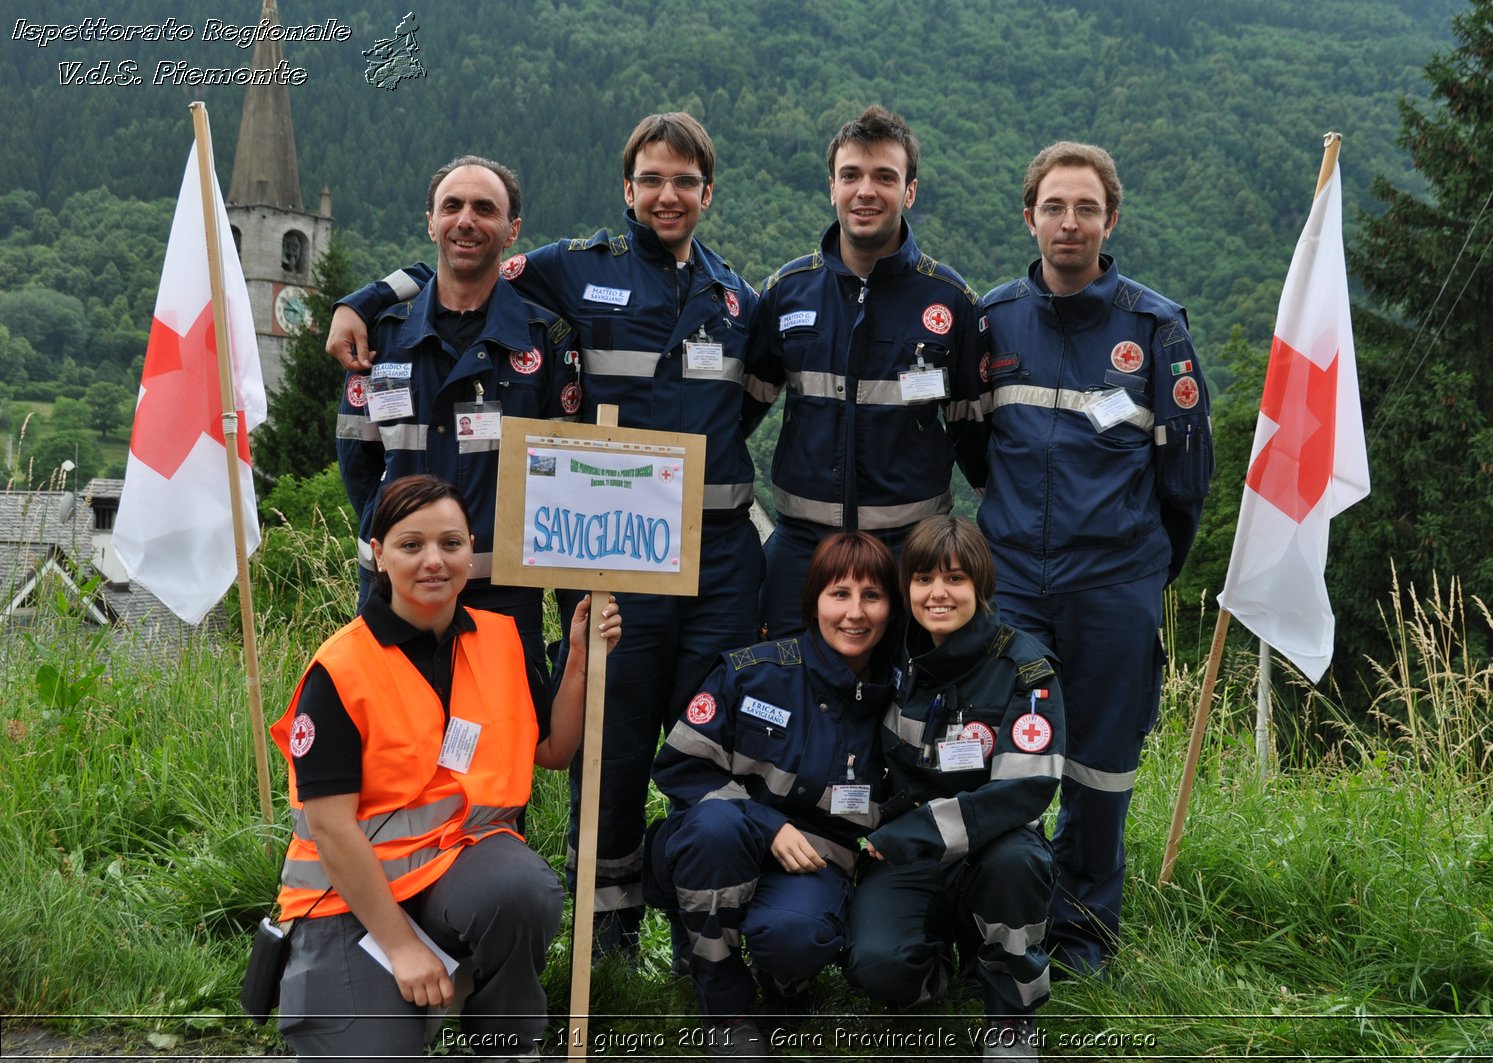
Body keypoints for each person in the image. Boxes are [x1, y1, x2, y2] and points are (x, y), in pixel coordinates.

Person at [325, 114, 765, 955]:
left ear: (707, 192)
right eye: (651, 179)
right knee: (602, 745)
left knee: (676, 741)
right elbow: (464, 262)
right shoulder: (573, 269)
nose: (667, 195)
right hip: (557, 567)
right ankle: (578, 930)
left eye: (684, 182)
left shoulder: (739, 298)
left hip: (696, 558)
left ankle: (673, 932)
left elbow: (751, 403)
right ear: (627, 189)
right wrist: (365, 295)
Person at [269, 474, 620, 1061]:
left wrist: (580, 656)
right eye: (411, 545)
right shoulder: (340, 669)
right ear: (378, 555)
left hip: (459, 872)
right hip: (351, 896)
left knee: (522, 891)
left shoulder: (501, 641)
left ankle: (502, 1044)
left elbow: (555, 750)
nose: (434, 561)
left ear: (470, 550)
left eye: (451, 544)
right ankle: (417, 987)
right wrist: (402, 947)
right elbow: (330, 828)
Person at [968, 142, 1213, 973]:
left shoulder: (1155, 327)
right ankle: (1005, 929)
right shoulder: (993, 320)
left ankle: (1082, 941)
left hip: (1114, 585)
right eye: (1053, 206)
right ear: (1028, 215)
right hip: (1012, 587)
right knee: (1007, 758)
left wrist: (1139, 571)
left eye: (1085, 208)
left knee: (1101, 771)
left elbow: (1185, 480)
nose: (1068, 222)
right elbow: (973, 445)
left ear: (1112, 219)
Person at [645, 531, 900, 1057]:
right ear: (813, 602)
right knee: (717, 828)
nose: (855, 613)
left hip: (813, 868)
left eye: (872, 596)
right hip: (717, 848)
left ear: (891, 609)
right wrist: (768, 825)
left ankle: (789, 987)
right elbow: (680, 767)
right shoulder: (753, 671)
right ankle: (725, 1008)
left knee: (793, 937)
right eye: (840, 594)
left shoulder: (900, 701)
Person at [744, 105, 986, 640]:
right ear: (832, 187)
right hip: (803, 548)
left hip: (912, 553)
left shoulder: (951, 301)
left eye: (885, 177)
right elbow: (736, 415)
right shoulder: (786, 293)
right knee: (790, 695)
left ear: (910, 192)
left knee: (907, 708)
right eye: (851, 175)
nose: (866, 191)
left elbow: (978, 441)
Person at [336, 154, 577, 657]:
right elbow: (358, 462)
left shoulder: (545, 340)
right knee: (398, 734)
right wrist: (406, 542)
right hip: (395, 592)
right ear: (431, 223)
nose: (466, 220)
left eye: (484, 208)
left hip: (503, 597)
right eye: (452, 206)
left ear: (512, 231)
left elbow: (562, 474)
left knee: (505, 736)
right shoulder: (383, 336)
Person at [843, 516, 1063, 1061]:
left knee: (1017, 863)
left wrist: (910, 834)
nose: (937, 594)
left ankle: (1011, 1019)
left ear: (980, 586)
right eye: (922, 580)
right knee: (877, 969)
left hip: (991, 845)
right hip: (910, 858)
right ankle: (950, 965)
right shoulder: (891, 653)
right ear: (907, 588)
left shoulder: (1025, 668)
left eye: (955, 579)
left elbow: (1025, 791)